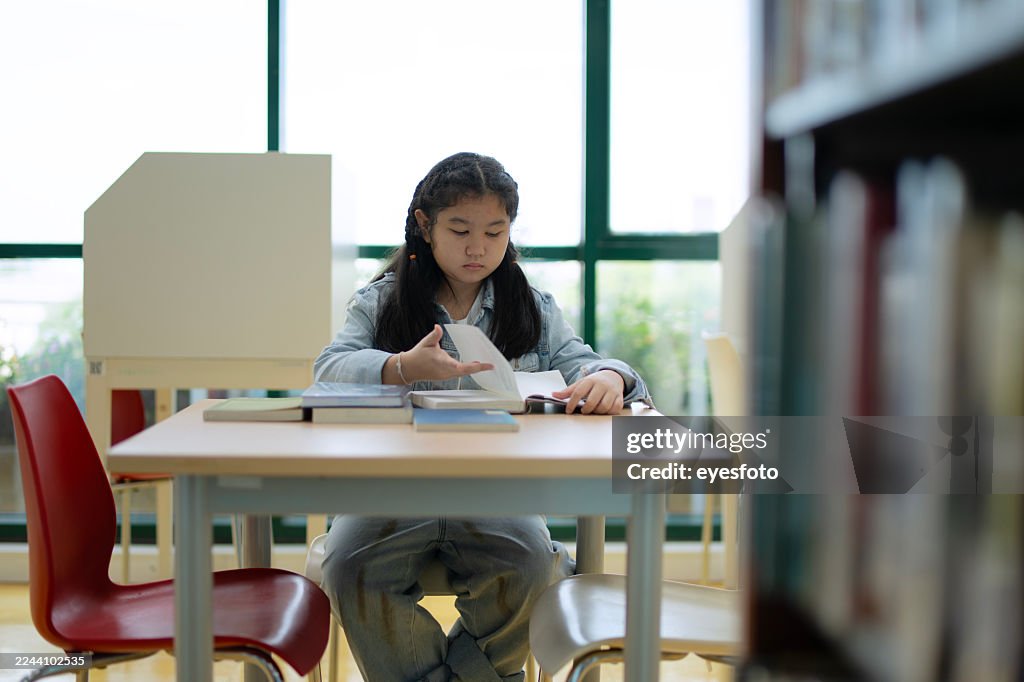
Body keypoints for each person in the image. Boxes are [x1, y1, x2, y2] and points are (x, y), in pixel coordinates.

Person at [314, 152, 651, 681]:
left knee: (535, 567)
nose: (479, 247)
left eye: (495, 232)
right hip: (390, 487)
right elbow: (328, 370)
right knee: (347, 568)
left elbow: (586, 363)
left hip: (500, 490)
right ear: (425, 225)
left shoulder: (531, 306)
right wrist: (400, 367)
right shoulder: (382, 302)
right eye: (461, 229)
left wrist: (612, 378)